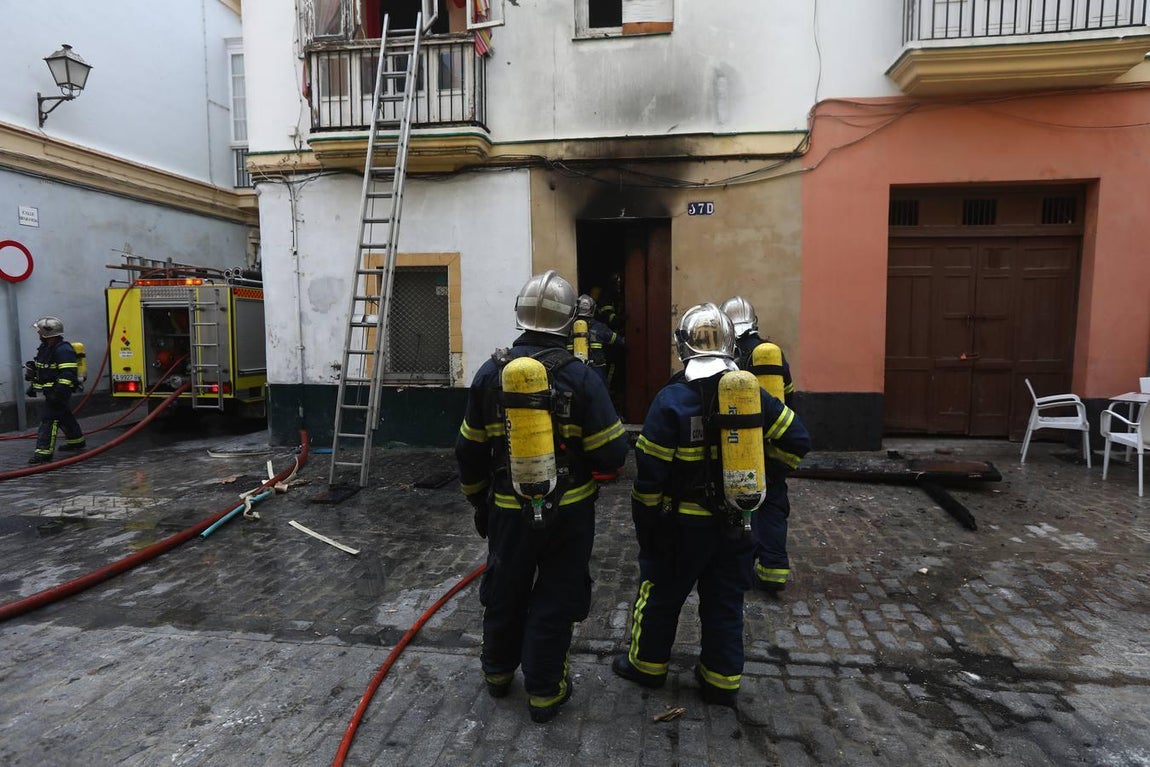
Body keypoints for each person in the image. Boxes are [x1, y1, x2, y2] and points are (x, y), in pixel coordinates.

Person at [612, 303, 809, 707]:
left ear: (682, 347)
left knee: (662, 595)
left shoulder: (670, 401)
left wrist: (648, 531)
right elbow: (798, 441)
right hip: (737, 526)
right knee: (724, 603)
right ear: (731, 346)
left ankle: (648, 666)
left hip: (681, 530)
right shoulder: (752, 397)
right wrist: (767, 478)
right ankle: (722, 681)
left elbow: (649, 479)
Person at [455, 270, 629, 724]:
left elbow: (468, 450)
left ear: (521, 317)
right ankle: (545, 692)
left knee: (505, 587)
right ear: (569, 319)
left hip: (507, 511)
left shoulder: (490, 373)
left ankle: (496, 673)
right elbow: (612, 452)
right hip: (569, 513)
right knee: (556, 595)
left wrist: (480, 503)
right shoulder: (583, 377)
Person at [721, 295, 797, 594]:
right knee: (774, 504)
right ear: (754, 322)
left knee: (743, 504)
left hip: (742, 448)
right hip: (775, 442)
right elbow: (788, 397)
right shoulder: (773, 354)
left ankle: (743, 562)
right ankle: (774, 570)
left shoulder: (732, 357)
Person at [26, 316, 86, 464]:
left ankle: (43, 453)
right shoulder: (46, 348)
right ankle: (76, 440)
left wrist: (58, 392)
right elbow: (46, 368)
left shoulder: (63, 349)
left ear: (48, 333)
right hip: (52, 391)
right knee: (64, 415)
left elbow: (67, 374)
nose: (38, 333)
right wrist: (34, 375)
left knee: (48, 419)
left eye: (39, 331)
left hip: (59, 391)